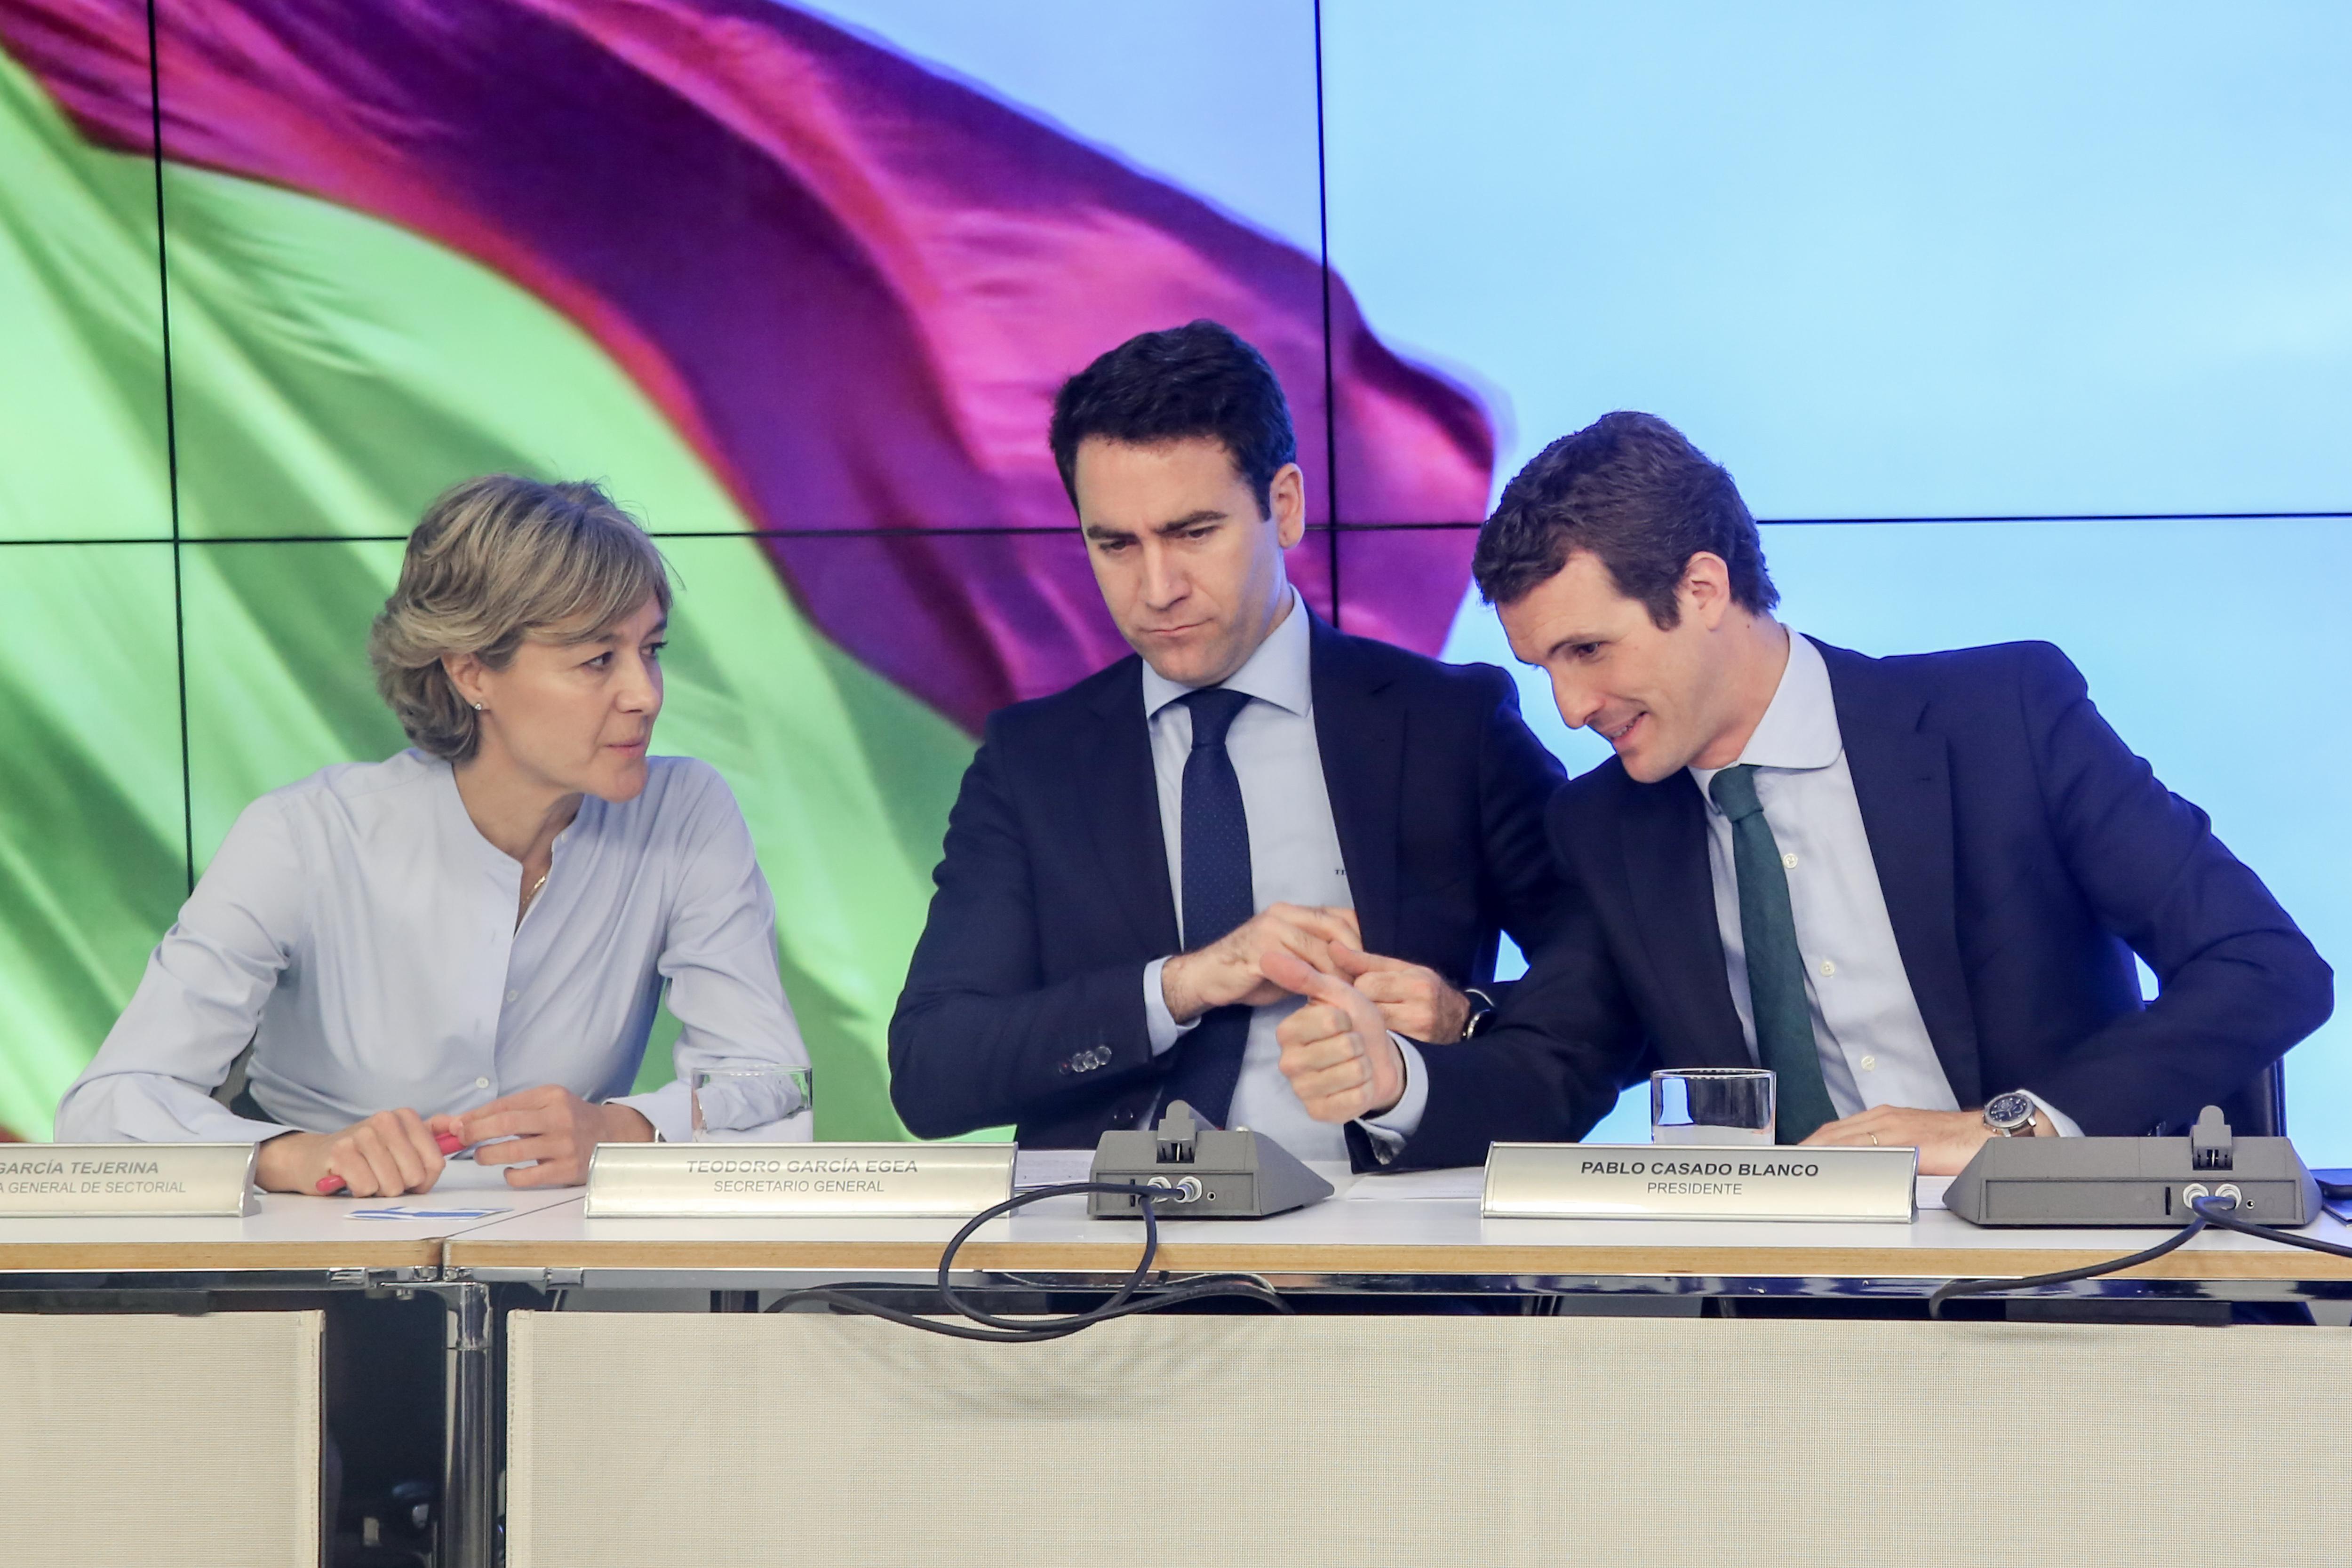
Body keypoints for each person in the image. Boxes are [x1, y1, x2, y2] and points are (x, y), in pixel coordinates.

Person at [1275, 411, 2333, 1173]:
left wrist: (2006, 1128)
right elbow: (1555, 1064)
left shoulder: (2000, 718)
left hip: (2055, 1289)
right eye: (1542, 665)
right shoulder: (1607, 824)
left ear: (1702, 588)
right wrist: (1396, 1080)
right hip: (1791, 1322)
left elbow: (2268, 966)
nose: (1568, 707)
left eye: (1589, 650)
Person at [889, 321, 1570, 1164]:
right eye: (1116, 545)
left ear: (1284, 506)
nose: (1159, 587)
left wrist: (1463, 1018)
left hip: (1383, 1267)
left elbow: (1601, 1007)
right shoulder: (1033, 762)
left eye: (1193, 532)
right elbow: (931, 1069)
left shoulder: (1446, 726)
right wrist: (1181, 985)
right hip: (1104, 1271)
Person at [57, 475, 809, 1194]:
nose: (644, 695)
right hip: (320, 1269)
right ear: (472, 672)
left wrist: (624, 1128)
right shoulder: (305, 836)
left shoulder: (687, 811)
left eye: (652, 649)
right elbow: (106, 1109)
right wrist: (291, 1155)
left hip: (564, 1275)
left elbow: (772, 1081)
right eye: (597, 659)